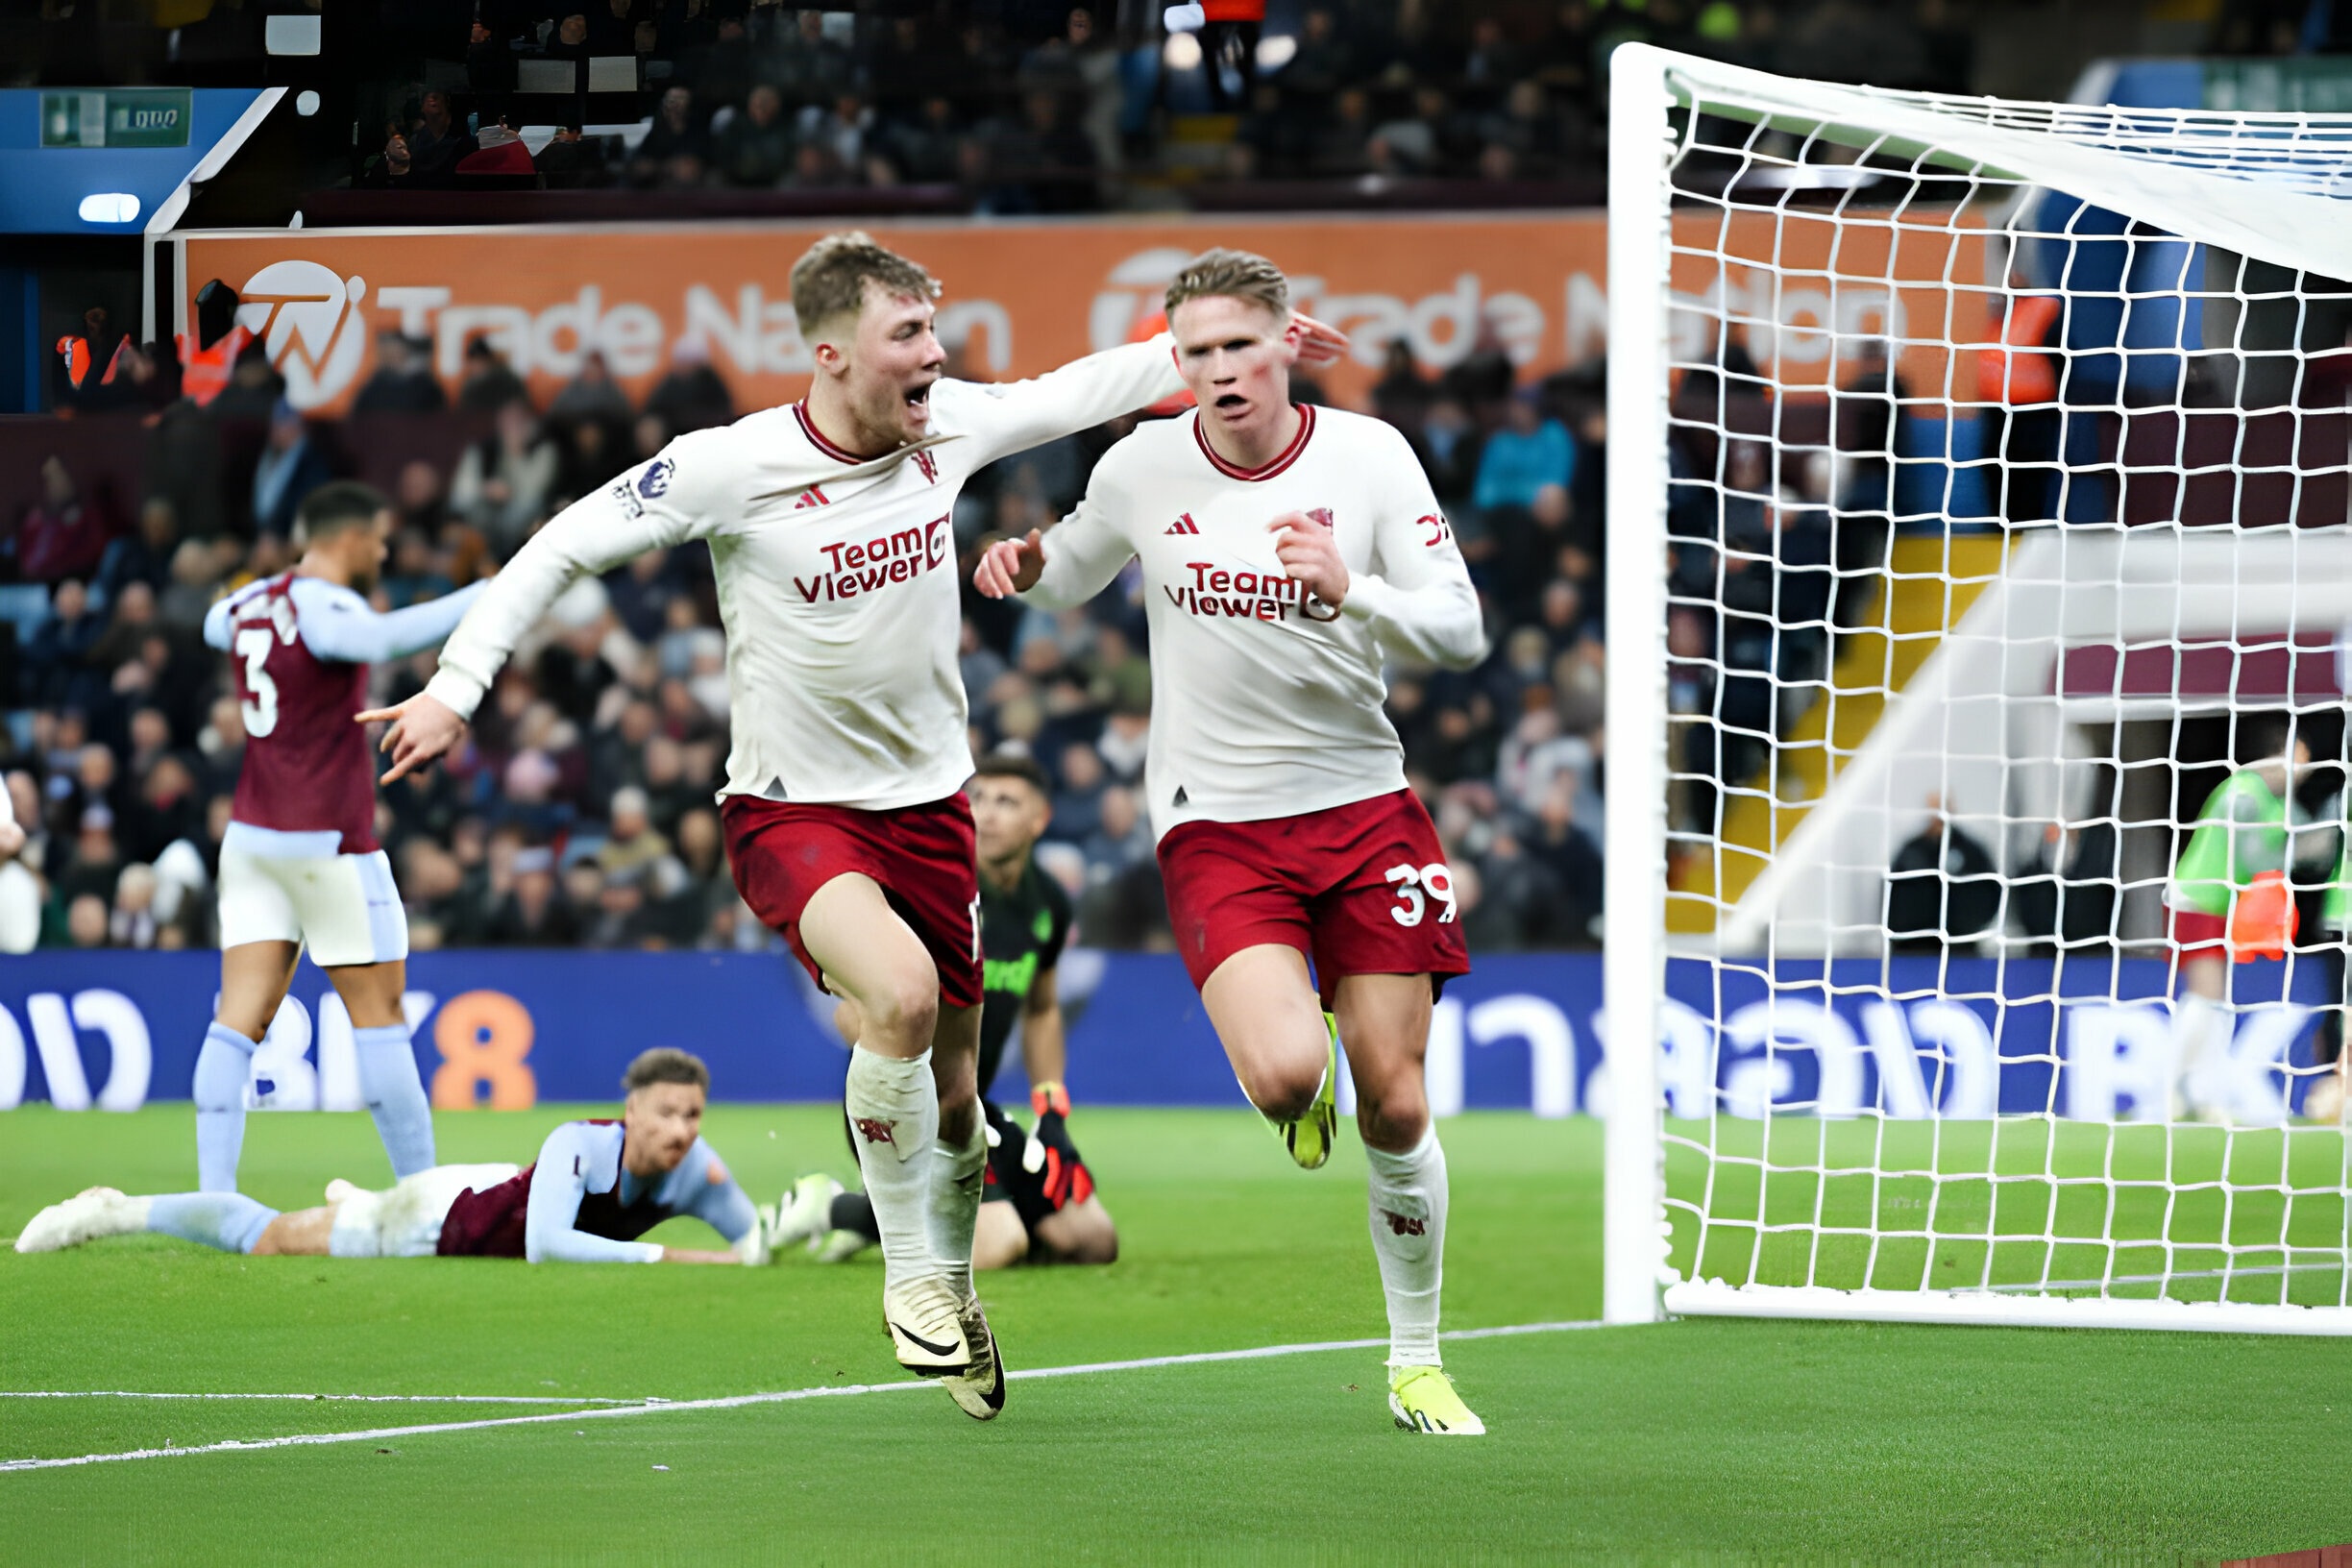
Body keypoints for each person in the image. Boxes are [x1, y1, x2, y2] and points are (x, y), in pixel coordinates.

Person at [355, 229, 1345, 1423]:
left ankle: (952, 1282)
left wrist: (1242, 348)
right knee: (901, 1000)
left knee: (962, 1101)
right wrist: (458, 689)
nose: (936, 356)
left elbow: (1093, 385)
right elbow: (564, 543)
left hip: (931, 809)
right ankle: (918, 1274)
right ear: (830, 354)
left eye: (933, 331)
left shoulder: (952, 425)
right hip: (792, 811)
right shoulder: (728, 465)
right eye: (908, 338)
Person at [974, 248, 1488, 1436]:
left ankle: (1416, 1364)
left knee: (1398, 1106)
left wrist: (1351, 589)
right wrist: (1028, 565)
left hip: (1364, 810)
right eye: (1194, 352)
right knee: (1286, 1077)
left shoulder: (1369, 457)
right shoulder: (1145, 463)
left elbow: (1459, 633)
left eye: (1238, 348)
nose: (1218, 372)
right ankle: (1299, 1083)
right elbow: (1070, 575)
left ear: (1285, 345)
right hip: (1219, 823)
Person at [192, 482, 488, 1197]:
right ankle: (421, 1196)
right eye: (379, 539)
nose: (383, 552)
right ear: (350, 539)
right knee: (379, 1019)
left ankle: (212, 1195)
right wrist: (491, 593)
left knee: (236, 1020)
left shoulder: (249, 602)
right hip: (326, 843)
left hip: (252, 839)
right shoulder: (328, 608)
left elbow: (212, 625)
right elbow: (375, 639)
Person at [778, 752, 1116, 1268]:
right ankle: (834, 1208)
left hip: (971, 1106)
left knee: (1093, 1241)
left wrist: (1052, 1113)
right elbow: (854, 1008)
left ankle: (909, 1216)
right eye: (978, 798)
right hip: (905, 1106)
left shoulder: (1048, 902)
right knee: (999, 1247)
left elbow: (1043, 1008)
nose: (987, 813)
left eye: (1007, 802)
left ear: (1039, 820)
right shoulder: (932, 893)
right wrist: (905, 1074)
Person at [17, 1048, 764, 1264]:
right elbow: (544, 1246)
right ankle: (116, 1212)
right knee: (273, 1236)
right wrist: (692, 1263)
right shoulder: (581, 1143)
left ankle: (353, 1202)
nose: (682, 1130)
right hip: (438, 1219)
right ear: (632, 1110)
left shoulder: (696, 1167)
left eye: (692, 1114)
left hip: (487, 1187)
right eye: (667, 1113)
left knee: (334, 1217)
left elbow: (758, 1240)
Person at [2166, 717, 2313, 1121]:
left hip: (2220, 902)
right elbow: (2257, 857)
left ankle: (2200, 1093)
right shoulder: (2243, 792)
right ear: (2279, 756)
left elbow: (2305, 840)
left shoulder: (2272, 801)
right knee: (2207, 994)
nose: (2307, 768)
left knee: (2215, 999)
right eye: (2301, 757)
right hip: (2197, 896)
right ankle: (2171, 1088)